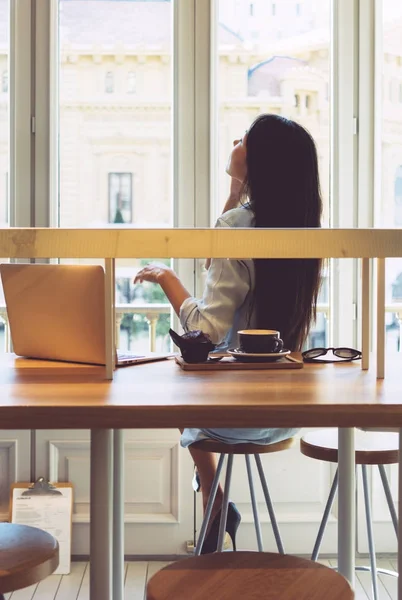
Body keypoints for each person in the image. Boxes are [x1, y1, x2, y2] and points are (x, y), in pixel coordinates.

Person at [134, 113, 323, 553]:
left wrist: (164, 278)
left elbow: (205, 328)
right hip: (285, 410)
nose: (235, 141)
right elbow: (215, 266)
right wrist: (236, 190)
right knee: (185, 384)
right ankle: (216, 500)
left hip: (234, 410)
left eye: (243, 139)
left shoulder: (238, 227)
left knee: (179, 382)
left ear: (261, 161)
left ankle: (213, 496)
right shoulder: (301, 224)